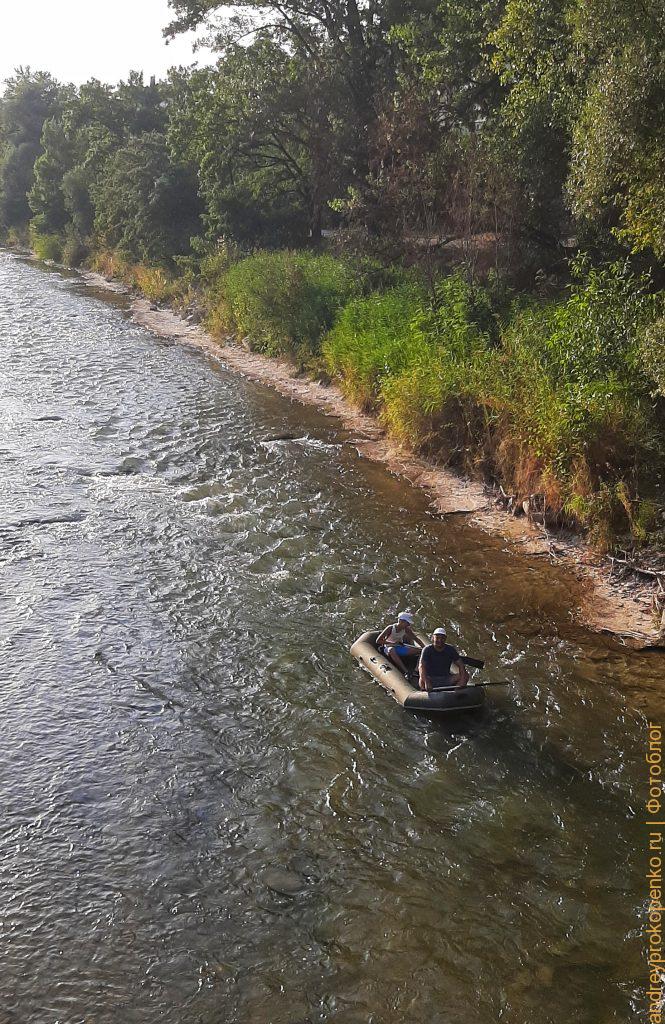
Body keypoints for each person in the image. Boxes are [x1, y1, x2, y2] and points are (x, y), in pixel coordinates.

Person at [418, 626, 469, 692]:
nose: (440, 640)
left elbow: (461, 665)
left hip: (446, 678)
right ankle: (425, 693)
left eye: (442, 638)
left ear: (445, 639)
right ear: (433, 638)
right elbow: (421, 666)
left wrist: (462, 680)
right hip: (431, 678)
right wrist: (426, 681)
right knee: (421, 680)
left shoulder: (450, 649)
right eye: (437, 638)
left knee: (466, 675)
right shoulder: (427, 649)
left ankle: (456, 693)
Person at [376, 611, 424, 678]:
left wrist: (424, 647)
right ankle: (406, 671)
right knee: (391, 650)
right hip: (388, 648)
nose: (408, 625)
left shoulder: (406, 629)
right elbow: (378, 641)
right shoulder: (390, 628)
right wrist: (392, 643)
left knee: (422, 651)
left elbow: (415, 639)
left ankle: (416, 670)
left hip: (399, 648)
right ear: (401, 621)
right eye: (407, 623)